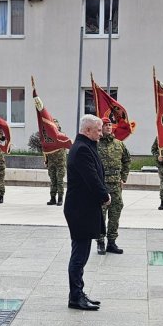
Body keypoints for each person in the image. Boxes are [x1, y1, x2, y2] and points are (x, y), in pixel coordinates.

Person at [64, 115, 110, 311]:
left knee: (82, 254)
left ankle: (79, 293)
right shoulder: (82, 149)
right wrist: (105, 194)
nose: (101, 133)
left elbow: (97, 172)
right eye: (98, 130)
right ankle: (75, 297)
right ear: (88, 130)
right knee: (79, 255)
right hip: (80, 209)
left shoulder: (86, 146)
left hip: (84, 208)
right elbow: (91, 177)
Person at [97, 119, 131, 255]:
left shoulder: (119, 144)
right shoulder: (96, 144)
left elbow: (127, 160)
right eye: (105, 125)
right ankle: (100, 242)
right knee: (100, 214)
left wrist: (123, 177)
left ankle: (112, 241)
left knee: (115, 212)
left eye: (110, 125)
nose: (108, 127)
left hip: (116, 184)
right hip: (101, 184)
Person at [44, 141, 67, 206]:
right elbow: (46, 151)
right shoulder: (49, 140)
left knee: (59, 181)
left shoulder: (62, 138)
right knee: (53, 181)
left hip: (60, 164)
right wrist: (46, 161)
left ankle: (60, 198)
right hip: (51, 163)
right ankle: (52, 198)